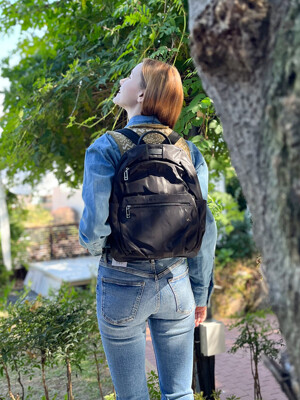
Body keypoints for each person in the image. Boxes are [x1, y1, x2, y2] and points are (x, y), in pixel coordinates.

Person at [79, 58, 217, 400]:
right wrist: (200, 294)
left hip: (121, 282)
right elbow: (205, 231)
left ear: (141, 94)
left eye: (129, 76)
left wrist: (105, 252)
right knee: (180, 393)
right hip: (177, 283)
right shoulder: (188, 151)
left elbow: (95, 227)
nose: (122, 80)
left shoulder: (107, 147)